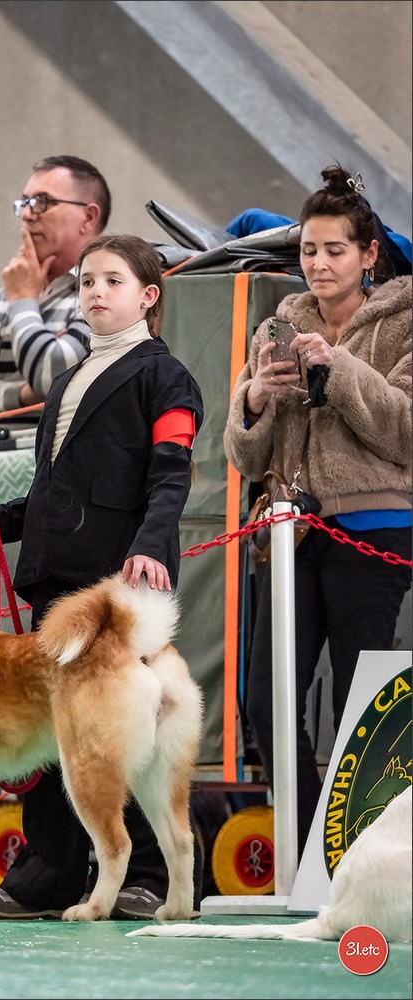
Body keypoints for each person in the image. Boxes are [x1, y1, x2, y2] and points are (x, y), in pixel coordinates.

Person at [0, 233, 204, 919]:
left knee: (133, 733)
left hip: (118, 590)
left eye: (113, 281)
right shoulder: (68, 380)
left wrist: (151, 546)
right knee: (51, 735)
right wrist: (1, 522)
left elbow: (171, 476)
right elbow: (53, 487)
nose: (96, 292)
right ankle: (50, 872)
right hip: (54, 583)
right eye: (87, 281)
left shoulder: (167, 378)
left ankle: (149, 873)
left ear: (148, 296)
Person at [223, 165, 412, 857]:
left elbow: (404, 433)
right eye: (308, 249)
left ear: (369, 254)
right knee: (266, 702)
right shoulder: (279, 323)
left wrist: (339, 367)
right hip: (290, 533)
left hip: (374, 529)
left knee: (361, 706)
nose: (319, 263)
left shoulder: (405, 323)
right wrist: (254, 399)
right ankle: (311, 855)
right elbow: (245, 457)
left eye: (335, 249)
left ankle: (364, 858)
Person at [0, 155, 111, 420]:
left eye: (43, 202)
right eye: (25, 203)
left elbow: (50, 375)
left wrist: (23, 301)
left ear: (88, 217)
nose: (26, 215)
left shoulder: (105, 291)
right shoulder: (8, 295)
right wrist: (24, 395)